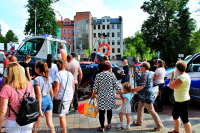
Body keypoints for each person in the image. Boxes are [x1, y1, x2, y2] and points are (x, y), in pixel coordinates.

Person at [0, 63, 35, 133]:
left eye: (7, 72)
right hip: (27, 119)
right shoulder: (28, 84)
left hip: (12, 121)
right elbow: (33, 101)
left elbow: (3, 111)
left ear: (10, 74)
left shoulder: (7, 88)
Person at [91, 62, 123, 132]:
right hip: (110, 95)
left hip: (102, 96)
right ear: (109, 68)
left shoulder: (98, 75)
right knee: (109, 110)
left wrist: (92, 96)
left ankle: (102, 127)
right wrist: (121, 95)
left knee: (101, 112)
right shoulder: (112, 75)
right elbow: (117, 86)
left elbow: (95, 88)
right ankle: (109, 124)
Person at [132, 62, 164, 131]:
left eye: (141, 66)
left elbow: (141, 86)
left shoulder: (144, 75)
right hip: (145, 95)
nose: (140, 67)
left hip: (146, 95)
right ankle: (139, 122)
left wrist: (132, 89)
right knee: (140, 108)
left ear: (144, 67)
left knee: (151, 110)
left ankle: (159, 125)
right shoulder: (150, 73)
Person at [168, 60, 192, 133]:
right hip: (180, 100)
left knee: (185, 119)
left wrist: (172, 77)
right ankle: (176, 130)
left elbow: (171, 86)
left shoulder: (181, 78)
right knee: (175, 114)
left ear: (177, 69)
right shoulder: (186, 75)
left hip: (182, 101)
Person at [32, 61, 55, 133]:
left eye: (35, 67)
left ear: (38, 69)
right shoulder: (49, 78)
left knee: (35, 124)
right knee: (50, 123)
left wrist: (39, 109)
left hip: (41, 101)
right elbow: (51, 92)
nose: (34, 69)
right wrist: (51, 101)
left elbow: (39, 94)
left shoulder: (37, 79)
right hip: (48, 99)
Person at [53, 59, 74, 133]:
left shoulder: (57, 75)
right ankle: (64, 130)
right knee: (63, 114)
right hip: (69, 97)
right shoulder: (70, 74)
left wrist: (52, 97)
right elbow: (72, 86)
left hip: (61, 98)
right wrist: (72, 96)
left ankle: (64, 131)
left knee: (61, 116)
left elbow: (56, 88)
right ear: (64, 65)